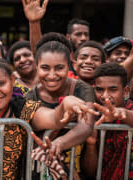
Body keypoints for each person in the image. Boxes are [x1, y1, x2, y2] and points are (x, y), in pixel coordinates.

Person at [25, 33, 96, 178]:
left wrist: (60, 143)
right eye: (45, 68)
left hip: (72, 170)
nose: (52, 75)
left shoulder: (82, 89)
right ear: (37, 67)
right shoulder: (30, 96)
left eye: (59, 68)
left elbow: (87, 124)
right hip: (36, 170)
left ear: (69, 67)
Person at [85, 62, 133, 179]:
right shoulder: (92, 116)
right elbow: (90, 173)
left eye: (113, 90)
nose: (105, 96)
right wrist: (91, 143)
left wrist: (124, 115)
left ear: (125, 91)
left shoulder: (129, 109)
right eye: (99, 90)